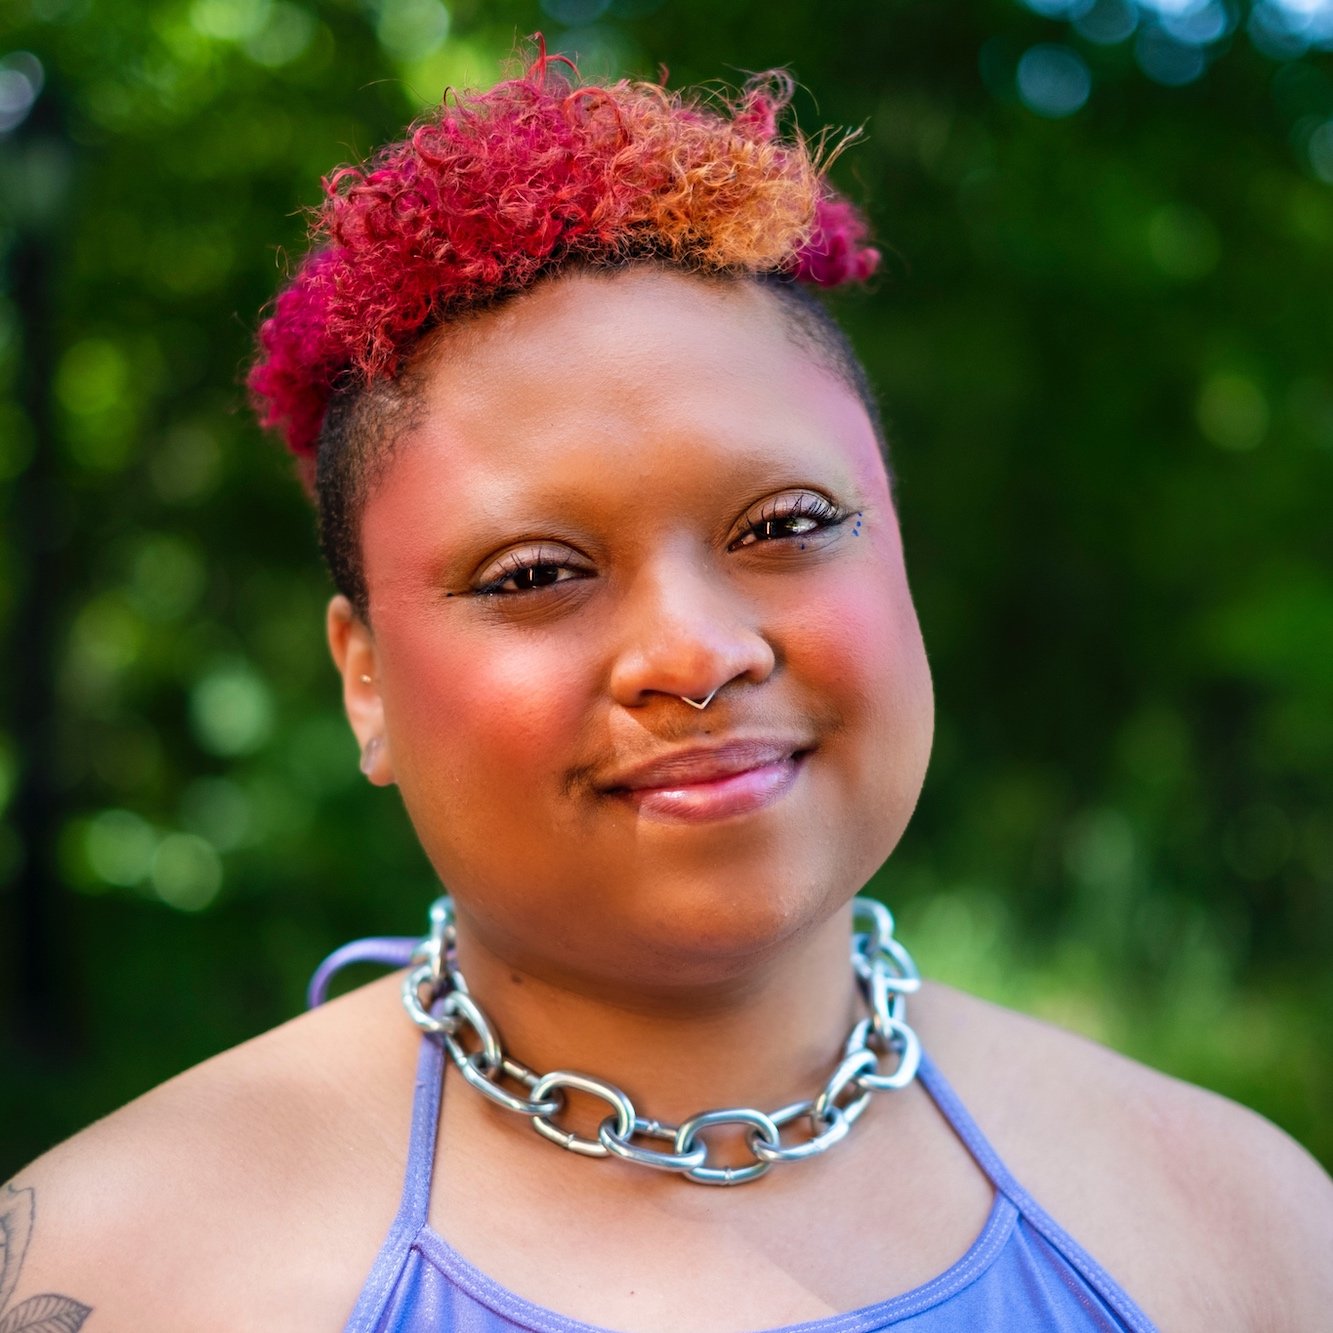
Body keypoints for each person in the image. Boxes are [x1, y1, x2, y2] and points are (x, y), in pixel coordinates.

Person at [5, 45, 1331, 1333]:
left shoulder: (1235, 1227)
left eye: (786, 523)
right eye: (533, 571)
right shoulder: (111, 1270)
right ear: (364, 680)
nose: (696, 653)